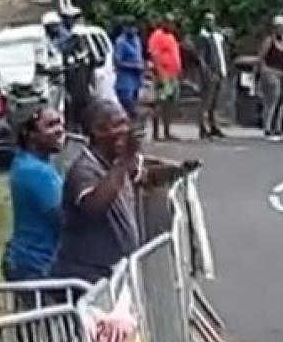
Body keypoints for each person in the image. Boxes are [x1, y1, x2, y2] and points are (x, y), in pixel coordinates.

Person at [51, 101, 199, 283]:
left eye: (127, 123)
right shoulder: (84, 170)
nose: (126, 131)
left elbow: (146, 178)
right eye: (118, 124)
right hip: (89, 277)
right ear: (97, 130)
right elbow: (94, 205)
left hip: (115, 274)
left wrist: (179, 170)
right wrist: (124, 161)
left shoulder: (117, 166)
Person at [3, 107, 66, 291]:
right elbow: (64, 216)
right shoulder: (35, 171)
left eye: (60, 122)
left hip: (29, 261)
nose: (60, 130)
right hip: (37, 265)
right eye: (50, 125)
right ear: (30, 135)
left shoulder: (27, 162)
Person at [257, 15, 283, 142]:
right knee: (272, 99)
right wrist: (263, 71)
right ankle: (268, 128)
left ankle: (278, 128)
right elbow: (261, 57)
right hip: (271, 70)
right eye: (279, 27)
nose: (282, 30)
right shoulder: (270, 40)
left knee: (282, 99)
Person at [148, 14, 183, 141]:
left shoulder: (171, 36)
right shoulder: (157, 36)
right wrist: (160, 74)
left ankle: (167, 131)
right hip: (163, 74)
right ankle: (156, 132)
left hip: (173, 74)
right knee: (160, 102)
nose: (171, 25)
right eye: (169, 23)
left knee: (170, 103)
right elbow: (155, 55)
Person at [196, 12, 230, 140]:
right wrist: (209, 73)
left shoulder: (217, 36)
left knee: (215, 103)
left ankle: (214, 126)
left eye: (213, 20)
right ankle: (204, 128)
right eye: (208, 20)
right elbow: (201, 58)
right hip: (210, 74)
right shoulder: (203, 37)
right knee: (206, 102)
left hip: (220, 71)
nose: (211, 23)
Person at [113, 18, 145, 117]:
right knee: (128, 106)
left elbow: (138, 56)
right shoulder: (121, 42)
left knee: (135, 104)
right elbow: (117, 62)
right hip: (125, 80)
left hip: (136, 79)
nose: (133, 30)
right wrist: (133, 66)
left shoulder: (136, 39)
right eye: (130, 27)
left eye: (134, 27)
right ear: (124, 28)